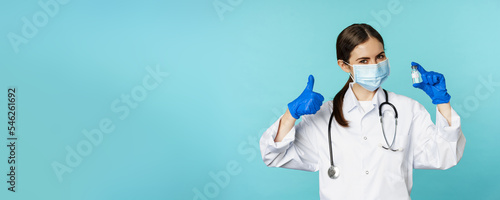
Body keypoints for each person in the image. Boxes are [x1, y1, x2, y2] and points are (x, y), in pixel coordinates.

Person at [259, 23, 466, 200]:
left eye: (380, 56)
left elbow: (444, 156)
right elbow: (273, 156)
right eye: (364, 61)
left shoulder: (407, 109)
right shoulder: (323, 116)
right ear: (344, 66)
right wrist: (290, 114)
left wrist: (442, 102)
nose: (375, 65)